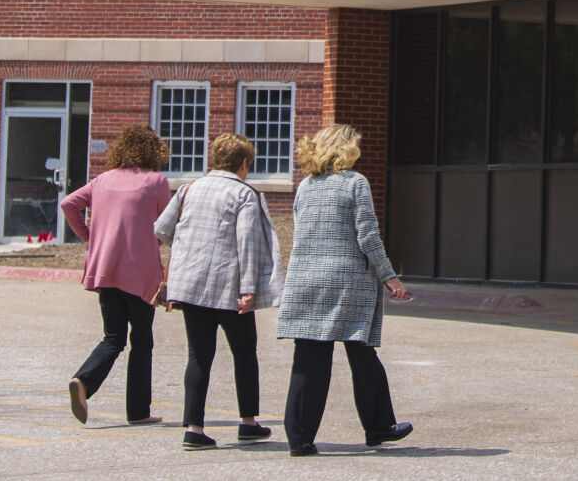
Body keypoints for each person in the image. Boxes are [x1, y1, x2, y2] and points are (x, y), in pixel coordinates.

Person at [274, 123, 413, 457]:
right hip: (346, 280)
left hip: (306, 279)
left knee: (309, 357)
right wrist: (389, 277)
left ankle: (300, 438)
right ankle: (379, 426)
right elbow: (367, 236)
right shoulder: (355, 183)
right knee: (361, 351)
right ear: (346, 148)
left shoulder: (306, 186)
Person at [154, 133, 281, 450]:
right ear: (243, 162)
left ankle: (193, 428)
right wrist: (249, 289)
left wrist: (188, 249)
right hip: (228, 288)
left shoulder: (189, 188)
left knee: (199, 356)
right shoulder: (244, 194)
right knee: (244, 352)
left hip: (191, 286)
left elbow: (160, 229)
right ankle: (248, 422)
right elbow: (247, 244)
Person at [59, 124, 174, 427]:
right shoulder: (156, 181)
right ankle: (137, 411)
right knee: (141, 340)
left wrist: (90, 237)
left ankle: (82, 381)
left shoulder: (102, 180)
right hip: (141, 273)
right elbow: (168, 226)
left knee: (113, 337)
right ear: (154, 151)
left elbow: (68, 203)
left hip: (105, 268)